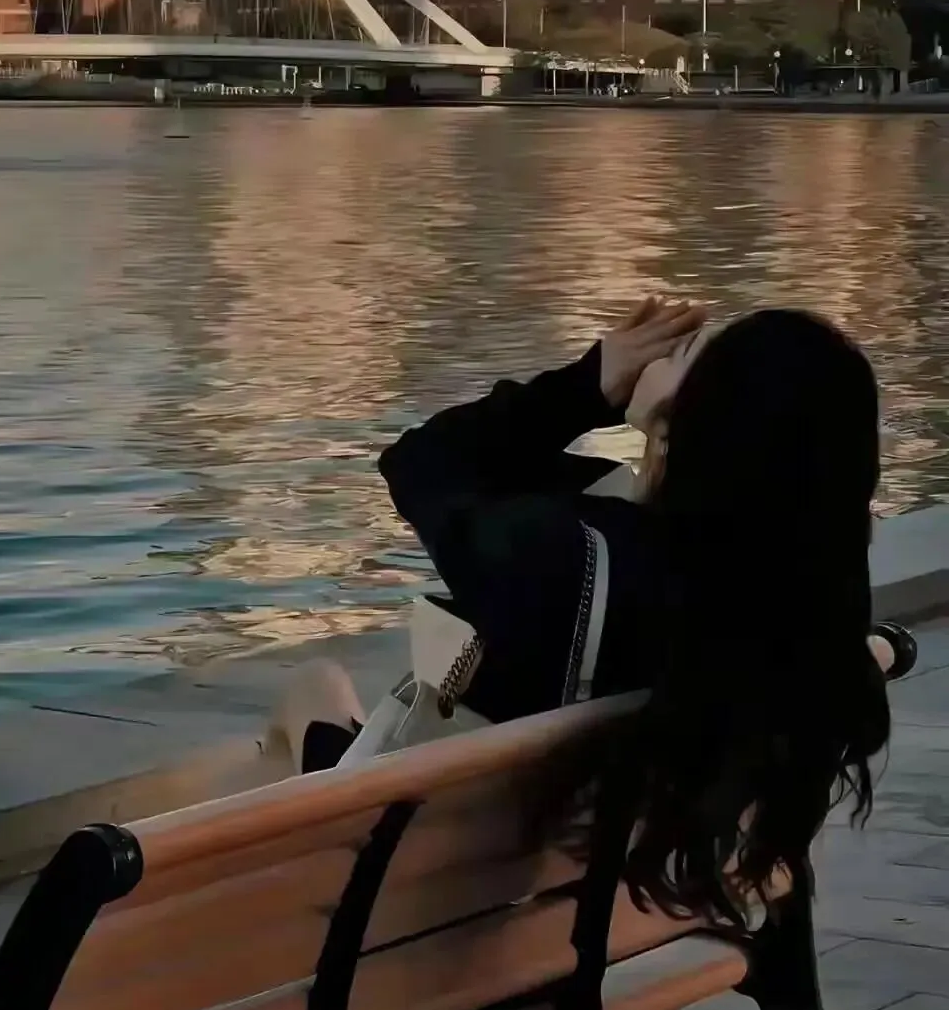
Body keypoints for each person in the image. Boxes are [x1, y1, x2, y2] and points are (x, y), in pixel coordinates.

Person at [268, 300, 894, 926]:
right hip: (568, 903)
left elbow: (421, 460)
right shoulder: (800, 619)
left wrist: (590, 387)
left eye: (691, 363)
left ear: (694, 417)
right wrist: (663, 432)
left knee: (310, 691)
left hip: (409, 875)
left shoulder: (570, 562)